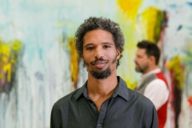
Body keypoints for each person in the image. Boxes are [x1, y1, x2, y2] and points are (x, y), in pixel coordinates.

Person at [51, 17, 158, 128]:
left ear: (118, 53)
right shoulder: (62, 110)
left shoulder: (144, 109)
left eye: (106, 46)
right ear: (82, 55)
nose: (99, 54)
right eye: (90, 47)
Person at [134, 40, 169, 128]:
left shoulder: (157, 84)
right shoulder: (146, 79)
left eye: (139, 57)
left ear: (152, 59)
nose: (135, 60)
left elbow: (141, 117)